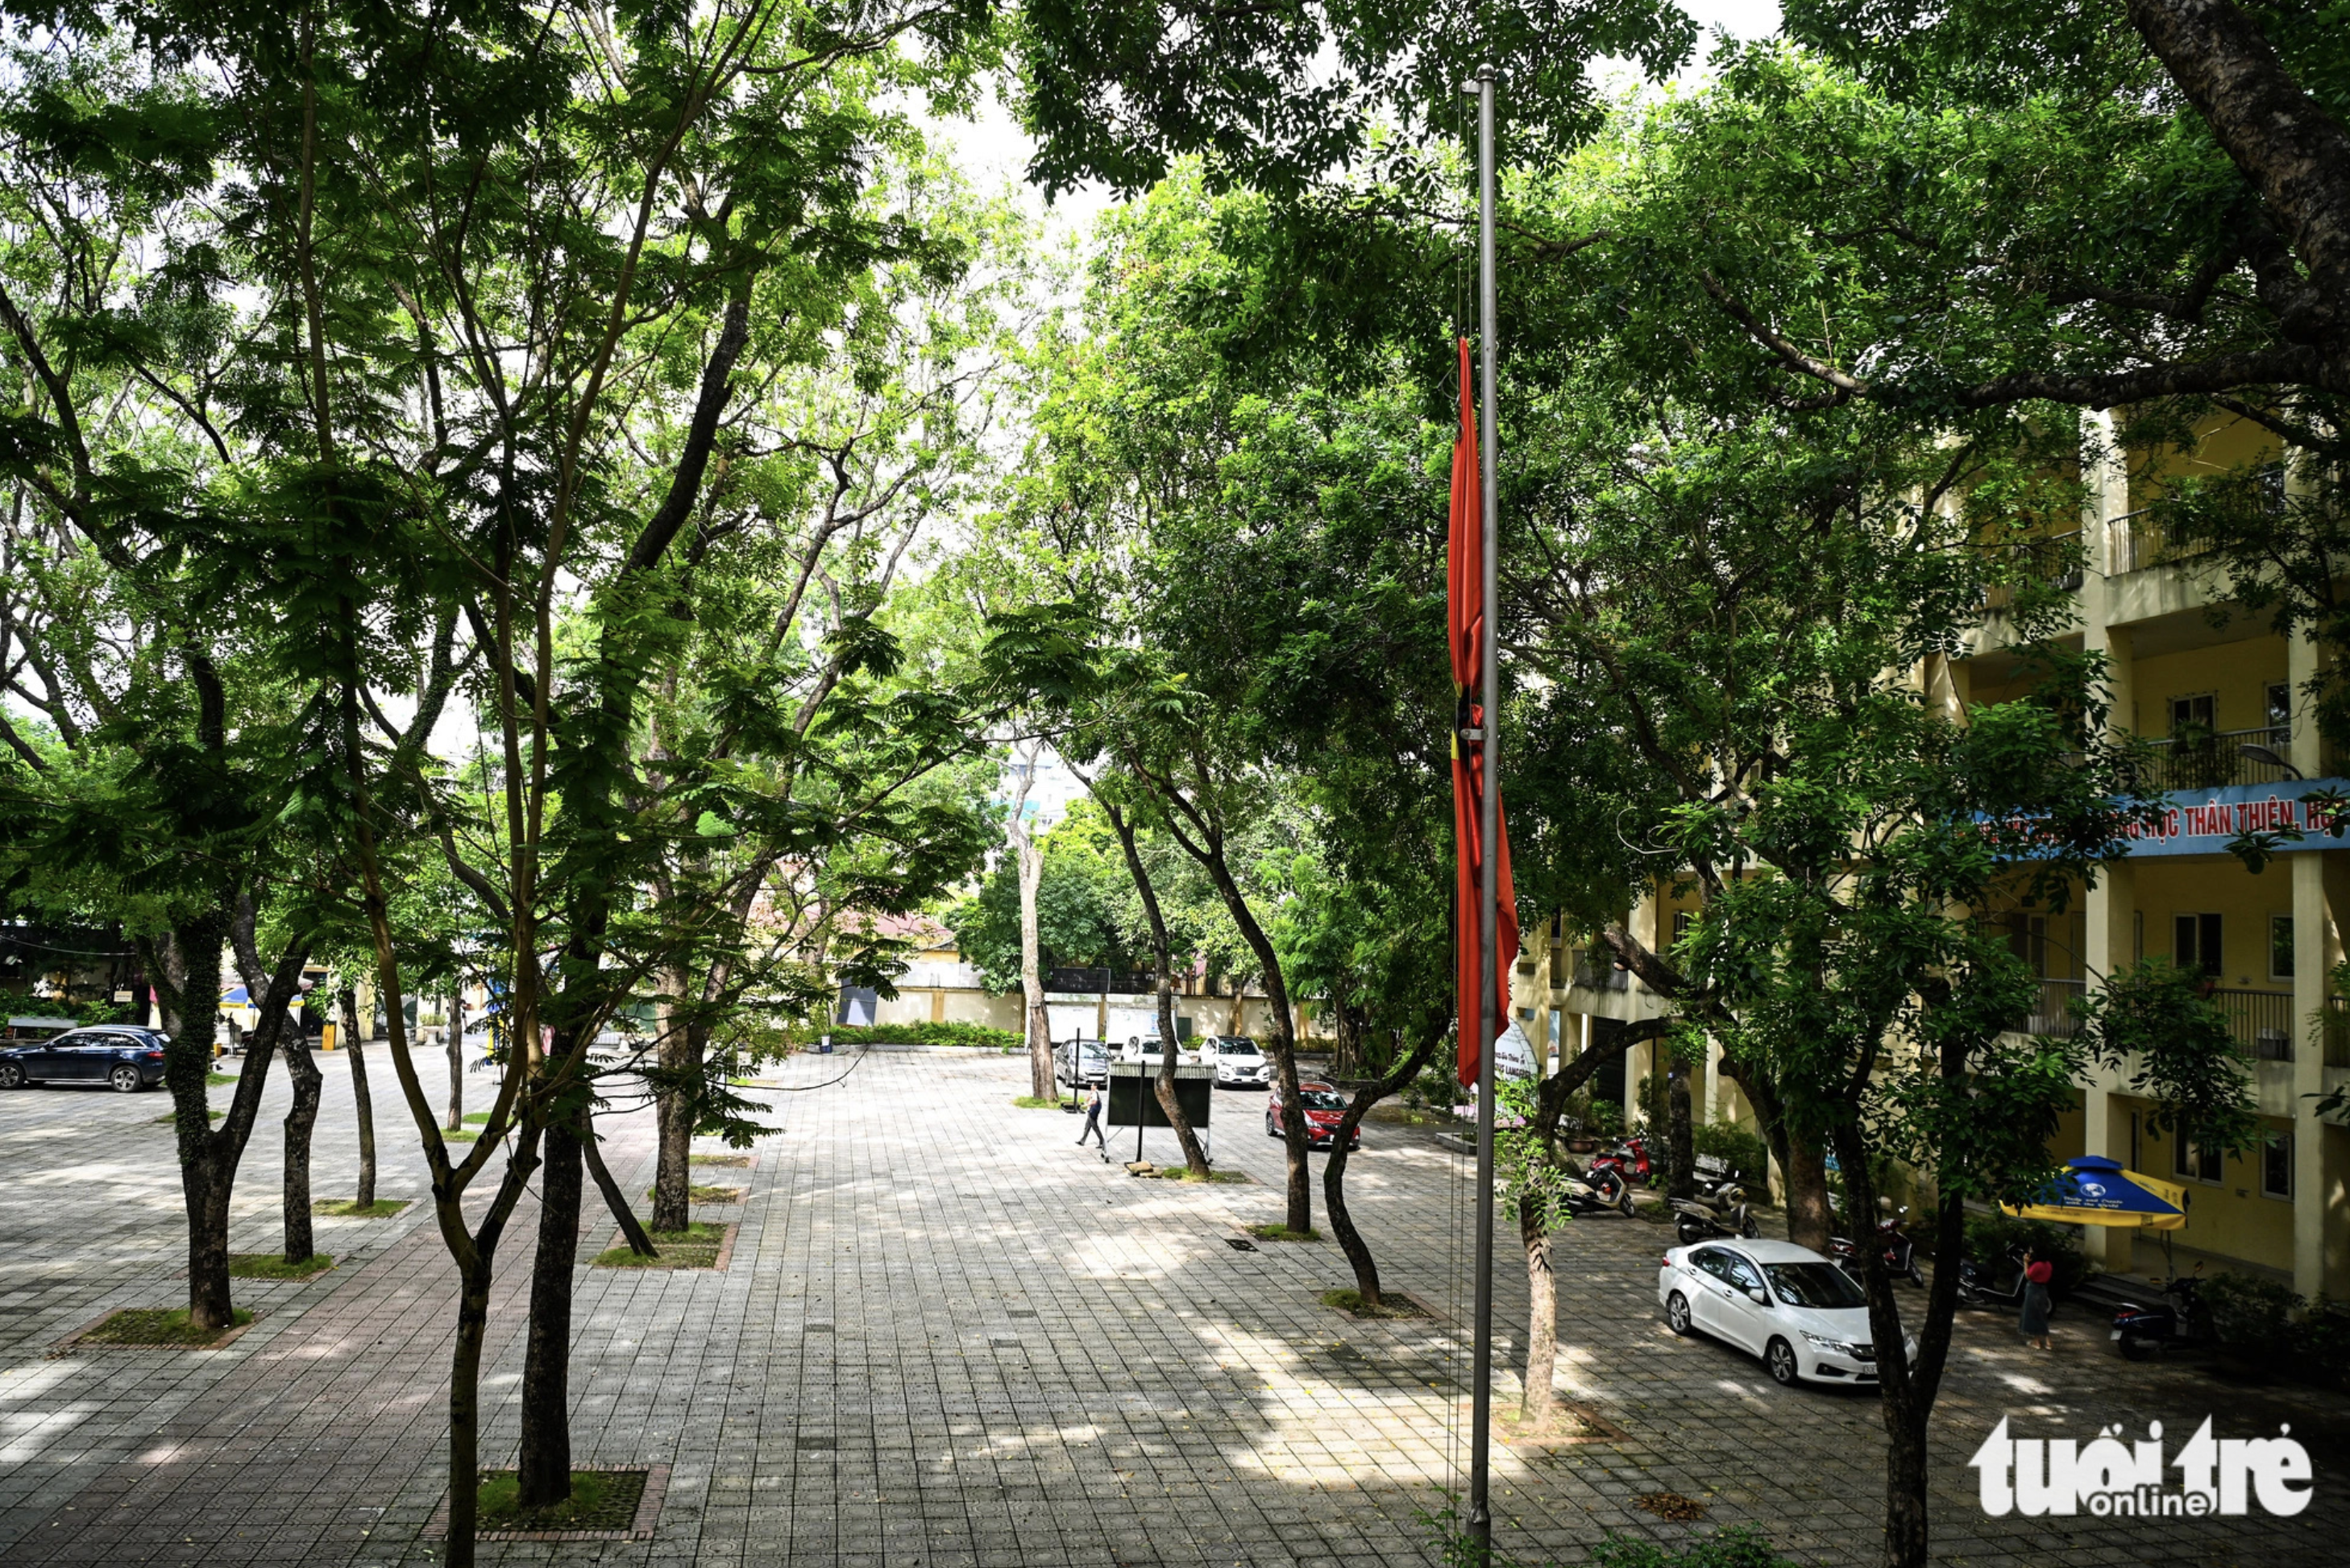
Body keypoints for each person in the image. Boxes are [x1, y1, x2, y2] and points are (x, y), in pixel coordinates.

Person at [2020, 1247, 2055, 1350]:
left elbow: (2028, 1276)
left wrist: (2025, 1263)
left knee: (2033, 1315)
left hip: (2034, 1289)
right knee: (2041, 1315)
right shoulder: (2048, 1264)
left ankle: (2037, 1342)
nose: (2030, 1252)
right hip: (2043, 1289)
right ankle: (2047, 1341)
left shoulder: (2037, 1265)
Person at [1077, 1083, 1107, 1154]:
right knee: (1087, 1127)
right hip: (1091, 1112)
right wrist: (1090, 1093)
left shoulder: (1095, 1094)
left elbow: (1094, 1102)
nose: (1091, 1086)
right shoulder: (1094, 1093)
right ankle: (1082, 1141)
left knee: (1095, 1128)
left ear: (1095, 1086)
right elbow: (1087, 1099)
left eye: (1092, 1085)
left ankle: (1102, 1142)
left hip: (1092, 1113)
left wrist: (1087, 1105)